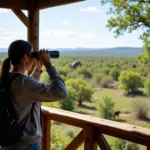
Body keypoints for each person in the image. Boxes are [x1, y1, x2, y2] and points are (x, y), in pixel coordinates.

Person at [0, 40, 68, 150]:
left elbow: (27, 90)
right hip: (27, 145)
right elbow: (61, 92)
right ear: (25, 57)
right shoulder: (23, 83)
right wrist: (49, 65)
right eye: (32, 54)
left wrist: (37, 69)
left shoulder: (7, 79)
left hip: (8, 143)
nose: (33, 58)